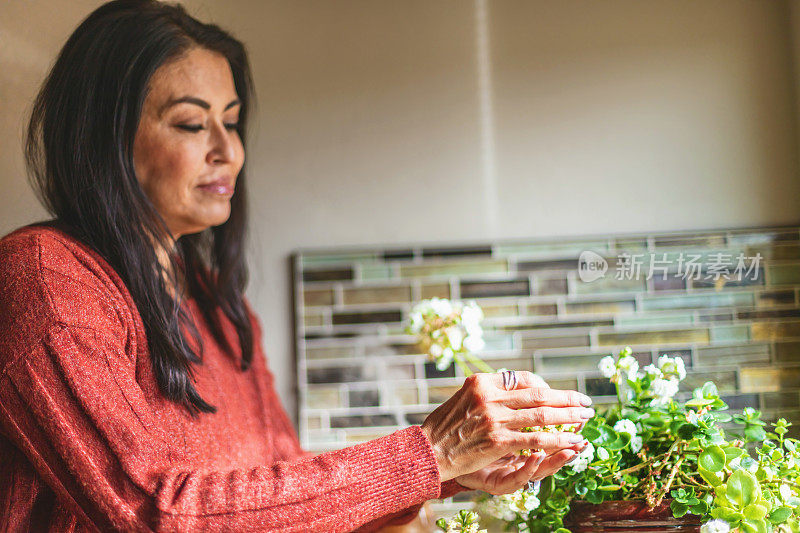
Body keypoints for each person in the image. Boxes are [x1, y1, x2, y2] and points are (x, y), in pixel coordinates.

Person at [0, 1, 592, 531]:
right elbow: (153, 510)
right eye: (190, 122)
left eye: (231, 122)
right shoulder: (45, 279)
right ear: (104, 139)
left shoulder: (213, 302)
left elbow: (279, 490)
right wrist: (430, 453)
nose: (228, 150)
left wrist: (455, 471)